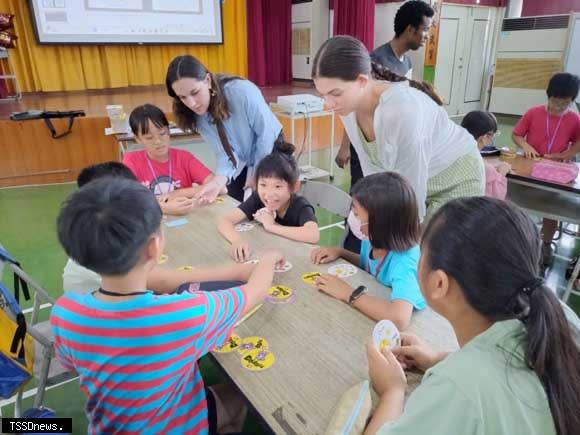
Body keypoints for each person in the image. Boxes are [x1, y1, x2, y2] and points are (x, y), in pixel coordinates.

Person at [52, 176, 284, 434]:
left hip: (110, 426)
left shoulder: (65, 312)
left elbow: (71, 363)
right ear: (154, 247)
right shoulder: (181, 315)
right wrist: (267, 259)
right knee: (240, 394)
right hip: (178, 425)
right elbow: (256, 291)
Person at [364, 197, 580, 435]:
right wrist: (438, 358)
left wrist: (392, 391)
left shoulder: (458, 388)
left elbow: (476, 384)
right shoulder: (559, 314)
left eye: (421, 253)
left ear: (439, 283)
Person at [312, 35, 484, 223]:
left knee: (431, 247)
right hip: (417, 182)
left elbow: (411, 198)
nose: (328, 105)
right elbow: (374, 176)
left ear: (362, 81)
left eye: (335, 93)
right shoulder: (348, 110)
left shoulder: (402, 110)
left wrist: (389, 232)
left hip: (455, 179)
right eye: (323, 95)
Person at [63, 162, 253, 294]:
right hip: (120, 337)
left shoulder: (94, 232)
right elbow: (166, 282)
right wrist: (240, 271)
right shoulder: (112, 252)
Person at [338, 0, 434, 253]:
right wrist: (345, 146)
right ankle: (354, 248)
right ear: (410, 30)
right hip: (368, 145)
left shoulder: (407, 63)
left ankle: (382, 251)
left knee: (389, 201)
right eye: (424, 29)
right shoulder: (376, 61)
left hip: (392, 146)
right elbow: (353, 106)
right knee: (364, 201)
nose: (426, 36)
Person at [310, 173, 425, 330]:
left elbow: (399, 319)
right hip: (374, 307)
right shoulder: (372, 238)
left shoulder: (404, 260)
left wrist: (348, 294)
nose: (352, 219)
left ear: (382, 223)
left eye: (357, 214)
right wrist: (341, 252)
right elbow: (369, 264)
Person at [166, 55, 283, 202]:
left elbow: (266, 134)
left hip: (272, 148)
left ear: (207, 81)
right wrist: (217, 181)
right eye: (182, 97)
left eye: (195, 92)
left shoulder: (241, 92)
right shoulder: (197, 116)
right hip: (243, 159)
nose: (191, 103)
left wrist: (257, 174)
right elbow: (224, 153)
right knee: (236, 204)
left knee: (273, 203)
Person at [511, 72, 580, 265]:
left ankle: (546, 244)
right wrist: (526, 146)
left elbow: (578, 142)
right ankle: (519, 236)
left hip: (555, 170)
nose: (557, 107)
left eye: (563, 104)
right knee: (520, 200)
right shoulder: (534, 112)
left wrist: (565, 155)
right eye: (554, 101)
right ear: (548, 95)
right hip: (530, 165)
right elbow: (516, 134)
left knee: (551, 208)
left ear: (572, 101)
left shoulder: (574, 119)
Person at [217, 142, 319, 262]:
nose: (269, 194)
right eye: (263, 185)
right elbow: (224, 220)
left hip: (298, 259)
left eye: (277, 186)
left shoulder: (300, 205)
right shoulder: (258, 198)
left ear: (294, 187)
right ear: (256, 183)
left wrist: (271, 226)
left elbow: (313, 235)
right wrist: (237, 241)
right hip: (270, 255)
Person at [122, 104, 224, 216]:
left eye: (162, 134)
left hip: (186, 218)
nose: (158, 141)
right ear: (137, 139)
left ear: (169, 131)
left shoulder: (184, 158)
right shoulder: (131, 160)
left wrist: (176, 193)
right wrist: (162, 208)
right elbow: (125, 200)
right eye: (149, 138)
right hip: (150, 221)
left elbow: (221, 188)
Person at [461, 110, 510, 200]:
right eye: (492, 136)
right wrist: (501, 172)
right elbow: (497, 198)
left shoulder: (454, 151)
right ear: (484, 137)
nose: (491, 140)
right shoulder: (483, 166)